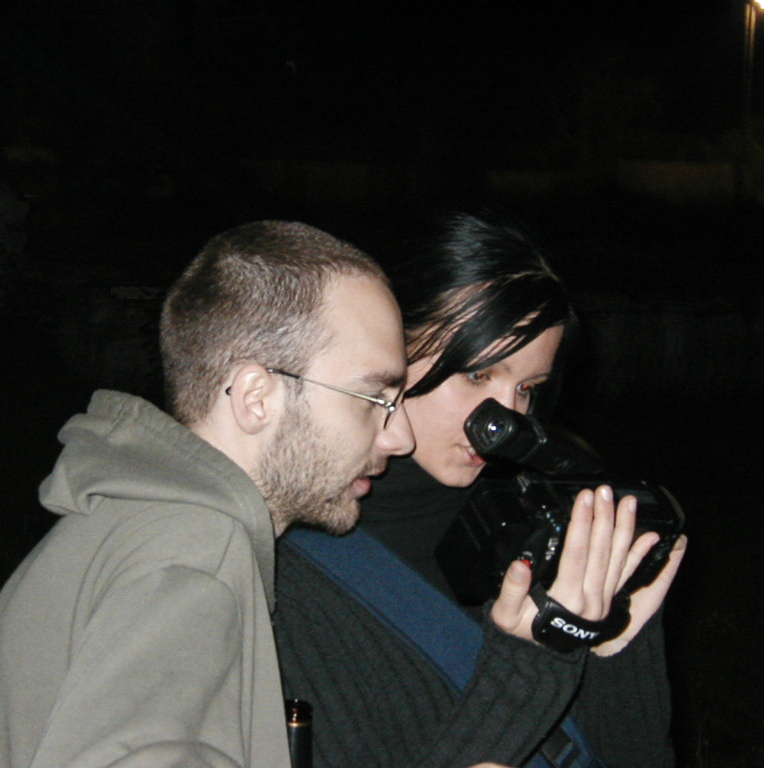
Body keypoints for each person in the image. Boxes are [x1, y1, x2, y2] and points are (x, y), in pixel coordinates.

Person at [0, 220, 417, 768]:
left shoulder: (127, 526)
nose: (401, 437)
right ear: (257, 398)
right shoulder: (194, 554)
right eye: (374, 398)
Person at [274, 211, 688, 768]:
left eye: (529, 388)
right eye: (478, 374)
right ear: (387, 346)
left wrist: (619, 646)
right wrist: (529, 663)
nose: (507, 418)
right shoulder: (295, 571)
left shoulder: (538, 520)